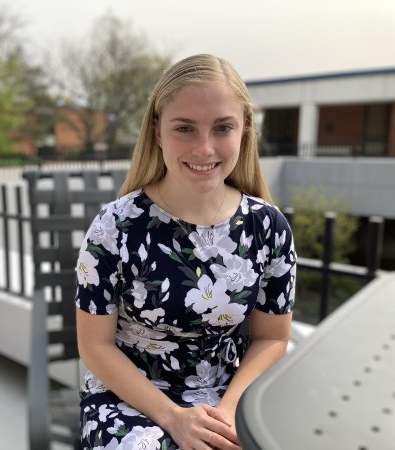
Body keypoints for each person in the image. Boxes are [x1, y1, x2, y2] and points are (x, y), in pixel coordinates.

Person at [74, 54, 296, 450]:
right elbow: (95, 345)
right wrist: (172, 417)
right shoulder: (114, 227)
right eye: (185, 128)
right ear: (157, 131)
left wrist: (229, 411)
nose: (205, 148)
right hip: (132, 395)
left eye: (223, 127)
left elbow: (272, 339)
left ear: (244, 131)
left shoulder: (268, 227)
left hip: (231, 395)